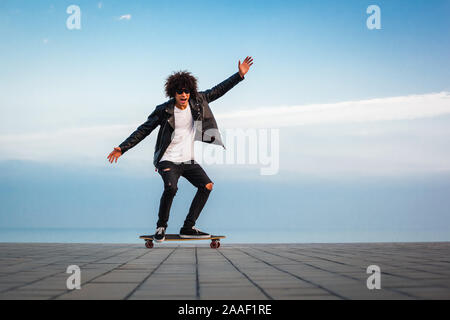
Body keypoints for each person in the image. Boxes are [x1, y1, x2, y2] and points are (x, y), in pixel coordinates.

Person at [107, 56, 253, 242]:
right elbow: (144, 129)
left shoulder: (198, 101)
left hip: (188, 160)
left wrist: (239, 75)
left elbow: (218, 90)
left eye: (186, 91)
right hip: (167, 159)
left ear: (190, 92)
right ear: (173, 93)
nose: (183, 95)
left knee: (207, 186)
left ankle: (188, 227)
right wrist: (123, 147)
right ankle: (161, 226)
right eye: (179, 92)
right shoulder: (164, 110)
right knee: (171, 187)